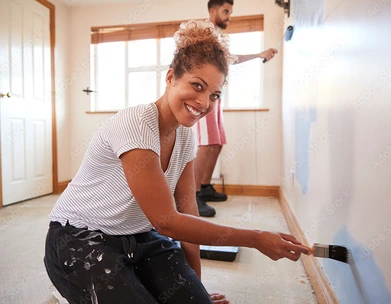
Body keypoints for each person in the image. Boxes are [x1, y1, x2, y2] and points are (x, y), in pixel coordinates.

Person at [44, 20, 308, 304]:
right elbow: (166, 222)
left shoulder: (185, 138)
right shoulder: (136, 122)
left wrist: (196, 288)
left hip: (140, 238)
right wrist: (255, 237)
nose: (204, 102)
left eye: (214, 95)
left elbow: (187, 210)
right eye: (197, 85)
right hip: (80, 239)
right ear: (171, 77)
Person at [194, 0, 278, 217]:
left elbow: (228, 60)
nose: (229, 16)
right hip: (204, 94)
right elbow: (225, 59)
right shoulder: (206, 32)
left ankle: (204, 187)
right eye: (226, 11)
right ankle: (192, 196)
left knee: (217, 143)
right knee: (206, 144)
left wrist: (259, 55)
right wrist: (259, 55)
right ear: (213, 10)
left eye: (230, 12)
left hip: (216, 94)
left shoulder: (217, 34)